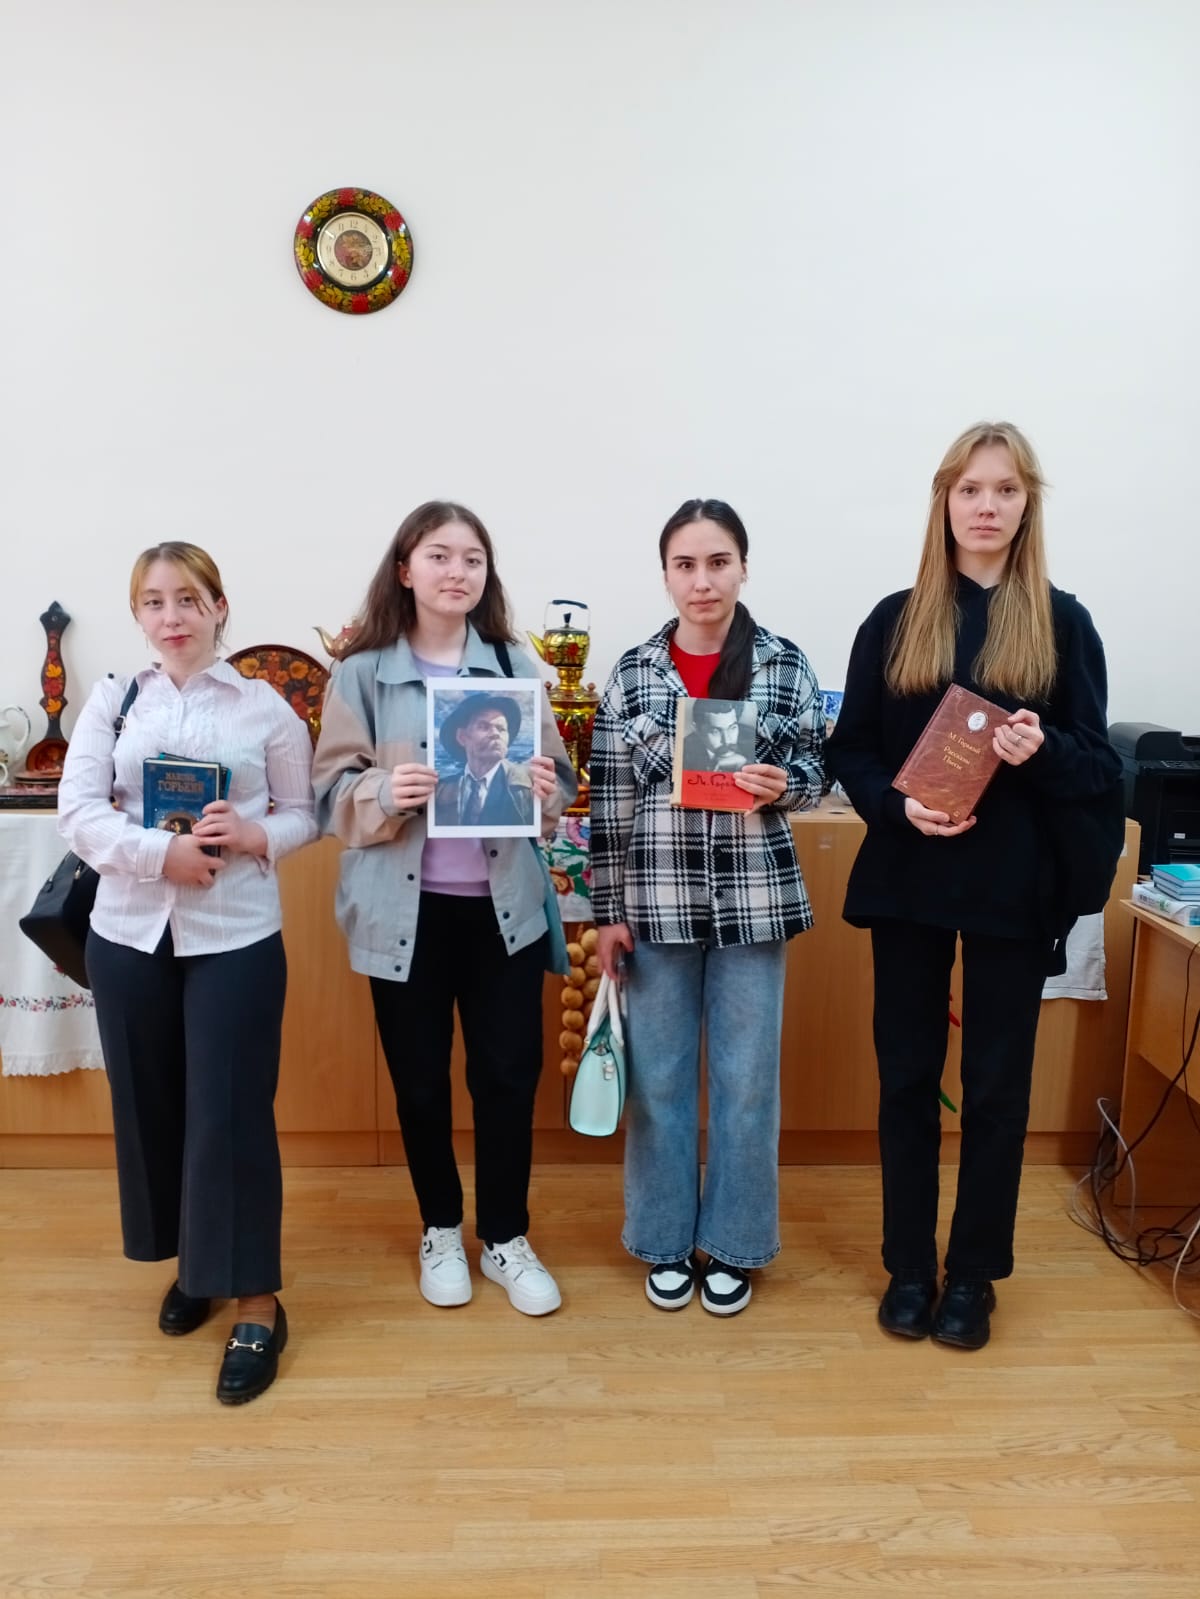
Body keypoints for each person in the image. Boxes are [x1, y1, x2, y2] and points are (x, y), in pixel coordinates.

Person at [826, 421, 1122, 1351]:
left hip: (1011, 891)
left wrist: (1042, 750)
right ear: (944, 502)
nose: (986, 506)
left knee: (996, 1090)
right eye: (969, 489)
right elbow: (851, 750)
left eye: (1004, 489)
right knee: (907, 1079)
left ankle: (974, 1276)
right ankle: (909, 1266)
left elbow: (1097, 763)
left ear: (1027, 504)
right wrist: (895, 806)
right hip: (910, 878)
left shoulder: (1063, 621)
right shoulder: (894, 617)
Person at [56, 542, 317, 1404]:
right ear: (139, 614)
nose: (172, 617)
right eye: (154, 602)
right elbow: (77, 812)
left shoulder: (265, 707)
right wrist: (156, 853)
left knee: (230, 1115)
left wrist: (255, 835)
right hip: (128, 933)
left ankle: (257, 1303)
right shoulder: (113, 699)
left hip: (235, 933)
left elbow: (304, 812)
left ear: (218, 607)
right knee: (155, 1105)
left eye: (189, 599)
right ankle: (198, 1269)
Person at [311, 501, 576, 1315]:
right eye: (439, 555)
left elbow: (559, 783)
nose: (457, 571)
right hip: (405, 916)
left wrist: (545, 787)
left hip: (504, 911)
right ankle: (439, 1227)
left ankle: (505, 1235)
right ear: (405, 569)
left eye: (472, 558)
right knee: (420, 1081)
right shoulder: (362, 672)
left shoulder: (515, 663)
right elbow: (328, 796)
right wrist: (385, 790)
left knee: (508, 1077)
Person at [590, 498, 826, 1316]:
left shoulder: (784, 664)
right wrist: (607, 911)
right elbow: (610, 804)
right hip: (656, 904)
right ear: (665, 574)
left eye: (718, 562)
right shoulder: (633, 673)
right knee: (658, 1082)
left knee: (747, 1083)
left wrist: (784, 784)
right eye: (685, 565)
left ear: (743, 568)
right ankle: (661, 1238)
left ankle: (734, 1243)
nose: (703, 580)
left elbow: (818, 770)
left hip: (754, 905)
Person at [433, 693, 537, 827]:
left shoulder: (529, 786)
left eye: (501, 729)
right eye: (483, 726)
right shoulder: (441, 790)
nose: (495, 734)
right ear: (462, 737)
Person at [680, 697, 756, 773]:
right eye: (715, 731)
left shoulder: (753, 740)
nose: (727, 741)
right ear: (697, 730)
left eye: (732, 728)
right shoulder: (682, 753)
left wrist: (745, 764)